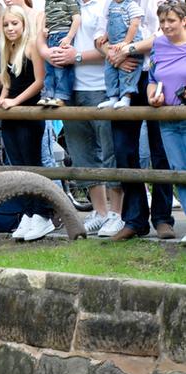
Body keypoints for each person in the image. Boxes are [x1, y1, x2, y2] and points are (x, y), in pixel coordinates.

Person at [46, 0, 122, 236]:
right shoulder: (66, 4)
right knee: (82, 153)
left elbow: (112, 49)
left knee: (110, 153)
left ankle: (116, 214)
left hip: (101, 87)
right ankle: (99, 212)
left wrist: (76, 56)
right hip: (69, 91)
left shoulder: (106, 6)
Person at [103, 0, 174, 241]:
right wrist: (114, 56)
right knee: (124, 149)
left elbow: (165, 34)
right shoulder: (113, 2)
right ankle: (134, 219)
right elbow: (99, 37)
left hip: (157, 74)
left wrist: (127, 49)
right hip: (124, 76)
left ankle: (163, 217)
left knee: (161, 148)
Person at [0, 5, 55, 241]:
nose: (10, 28)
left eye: (14, 24)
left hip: (28, 113)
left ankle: (42, 214)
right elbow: (9, 79)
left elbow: (39, 81)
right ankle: (28, 213)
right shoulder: (8, 48)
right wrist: (3, 96)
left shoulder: (31, 46)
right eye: (6, 24)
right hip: (11, 114)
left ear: (23, 24)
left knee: (32, 165)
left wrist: (15, 102)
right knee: (17, 166)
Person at [147, 0, 186, 242]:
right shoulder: (159, 44)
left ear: (184, 20)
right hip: (168, 121)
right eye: (162, 21)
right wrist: (152, 96)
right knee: (180, 173)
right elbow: (153, 77)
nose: (166, 26)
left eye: (171, 20)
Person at [97, 0, 144, 108]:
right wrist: (106, 36)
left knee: (127, 73)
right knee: (109, 73)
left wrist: (126, 42)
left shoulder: (131, 5)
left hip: (129, 44)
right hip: (114, 45)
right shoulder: (111, 5)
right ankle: (113, 98)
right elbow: (110, 23)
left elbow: (134, 25)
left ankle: (126, 98)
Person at [37, 0, 80, 106]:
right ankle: (48, 94)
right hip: (50, 36)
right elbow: (45, 16)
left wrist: (69, 37)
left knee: (62, 68)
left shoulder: (70, 1)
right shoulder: (48, 2)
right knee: (49, 68)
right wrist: (43, 28)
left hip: (63, 35)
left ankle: (61, 96)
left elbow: (77, 18)